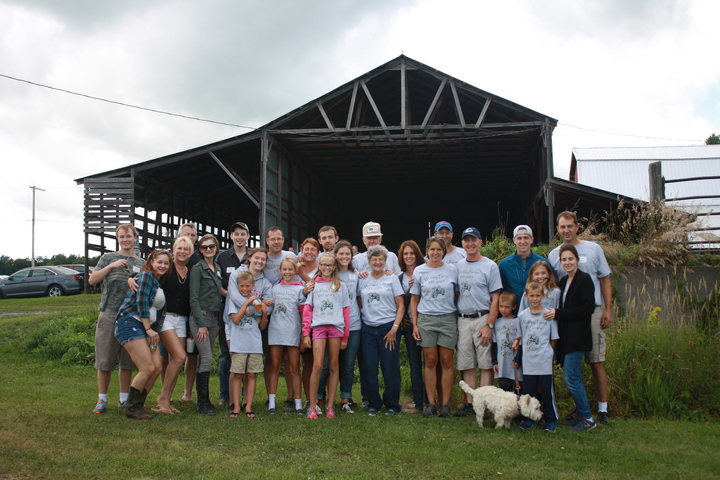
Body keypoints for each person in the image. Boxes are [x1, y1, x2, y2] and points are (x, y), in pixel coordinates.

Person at [548, 211, 612, 424]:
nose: (566, 230)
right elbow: (556, 285)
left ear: (577, 227)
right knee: (572, 367)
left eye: (569, 226)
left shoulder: (593, 249)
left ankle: (602, 409)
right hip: (567, 318)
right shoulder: (553, 254)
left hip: (591, 312)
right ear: (557, 229)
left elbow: (604, 279)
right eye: (562, 227)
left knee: (595, 361)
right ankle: (580, 409)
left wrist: (608, 310)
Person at [89, 224, 144, 414]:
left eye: (128, 236)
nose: (125, 239)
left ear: (135, 238)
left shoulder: (141, 262)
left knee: (127, 360)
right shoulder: (108, 258)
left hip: (130, 315)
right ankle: (102, 400)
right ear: (118, 239)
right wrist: (111, 266)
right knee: (105, 358)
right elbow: (92, 279)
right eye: (121, 237)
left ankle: (123, 398)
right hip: (110, 312)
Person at [544, 244, 597, 432]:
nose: (567, 262)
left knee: (571, 378)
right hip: (567, 336)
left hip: (578, 337)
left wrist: (558, 313)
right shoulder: (565, 280)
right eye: (564, 259)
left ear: (577, 260)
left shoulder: (585, 280)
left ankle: (587, 417)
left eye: (570, 259)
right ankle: (578, 413)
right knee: (573, 376)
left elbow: (587, 308)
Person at [113, 249, 172, 419]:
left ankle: (138, 404)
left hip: (147, 327)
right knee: (147, 367)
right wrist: (148, 329)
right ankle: (131, 408)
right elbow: (142, 302)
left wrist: (155, 331)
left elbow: (158, 312)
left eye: (166, 263)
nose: (162, 265)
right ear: (151, 261)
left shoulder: (158, 282)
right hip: (131, 322)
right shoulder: (146, 276)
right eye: (159, 262)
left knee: (157, 367)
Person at [454, 227, 503, 418]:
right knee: (466, 363)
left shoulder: (490, 266)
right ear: (463, 244)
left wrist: (489, 325)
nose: (470, 244)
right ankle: (470, 404)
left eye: (473, 240)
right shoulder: (458, 266)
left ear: (480, 242)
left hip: (482, 317)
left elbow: (496, 298)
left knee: (485, 363)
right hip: (463, 319)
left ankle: (486, 403)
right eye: (466, 240)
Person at [410, 236, 458, 418]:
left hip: (447, 319)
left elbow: (457, 294)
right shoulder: (420, 271)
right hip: (426, 319)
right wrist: (415, 324)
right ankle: (430, 403)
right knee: (430, 361)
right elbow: (414, 299)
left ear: (443, 251)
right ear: (427, 251)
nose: (435, 253)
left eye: (439, 250)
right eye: (432, 250)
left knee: (446, 361)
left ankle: (445, 404)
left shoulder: (452, 270)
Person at [302, 253, 351, 419]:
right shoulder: (313, 285)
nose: (327, 268)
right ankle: (313, 406)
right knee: (317, 365)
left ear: (334, 267)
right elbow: (308, 310)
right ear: (319, 265)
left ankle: (330, 406)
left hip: (336, 328)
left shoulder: (340, 286)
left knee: (334, 365)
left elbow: (346, 312)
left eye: (330, 265)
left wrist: (345, 337)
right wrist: (305, 333)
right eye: (324, 265)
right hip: (318, 328)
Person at [358, 245, 405, 416]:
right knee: (369, 366)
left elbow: (401, 306)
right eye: (374, 259)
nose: (377, 262)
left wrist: (394, 328)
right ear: (369, 261)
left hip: (388, 327)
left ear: (385, 261)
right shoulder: (363, 279)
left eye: (381, 259)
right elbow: (359, 302)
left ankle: (392, 404)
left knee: (390, 366)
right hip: (368, 328)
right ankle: (374, 404)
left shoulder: (392, 278)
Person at [225, 247, 275, 406]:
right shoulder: (236, 275)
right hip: (233, 324)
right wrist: (258, 306)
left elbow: (270, 307)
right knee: (236, 364)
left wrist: (253, 309)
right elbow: (234, 297)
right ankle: (234, 402)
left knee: (250, 369)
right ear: (250, 258)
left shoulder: (265, 282)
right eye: (257, 258)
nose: (260, 261)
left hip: (252, 326)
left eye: (263, 259)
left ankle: (247, 402)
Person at [152, 236, 193, 414]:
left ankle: (166, 400)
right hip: (165, 317)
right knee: (180, 357)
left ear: (190, 252)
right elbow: (147, 273)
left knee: (175, 361)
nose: (182, 252)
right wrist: (131, 279)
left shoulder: (191, 272)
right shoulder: (167, 269)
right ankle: (162, 397)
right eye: (179, 248)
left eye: (186, 249)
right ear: (174, 250)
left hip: (182, 319)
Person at [512, 281, 559, 431]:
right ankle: (529, 418)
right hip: (529, 361)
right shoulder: (522, 316)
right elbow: (520, 337)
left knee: (546, 391)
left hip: (544, 360)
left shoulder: (548, 314)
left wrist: (546, 352)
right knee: (529, 393)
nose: (535, 299)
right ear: (526, 296)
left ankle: (550, 419)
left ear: (543, 296)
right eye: (531, 296)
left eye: (538, 295)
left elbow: (553, 338)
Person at [268, 256, 312, 415]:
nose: (287, 272)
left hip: (293, 331)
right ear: (280, 271)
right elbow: (267, 309)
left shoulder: (300, 288)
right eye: (284, 269)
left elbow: (303, 312)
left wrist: (303, 334)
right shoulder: (274, 289)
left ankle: (298, 403)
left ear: (295, 271)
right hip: (275, 331)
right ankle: (272, 402)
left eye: (290, 269)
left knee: (294, 366)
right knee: (275, 365)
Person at [215, 221, 251, 406]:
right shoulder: (222, 257)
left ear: (247, 236)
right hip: (228, 310)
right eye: (236, 234)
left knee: (245, 353)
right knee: (226, 354)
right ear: (231, 236)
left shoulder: (252, 257)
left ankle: (244, 395)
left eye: (242, 234)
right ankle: (225, 395)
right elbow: (217, 282)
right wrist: (231, 295)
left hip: (249, 313)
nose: (239, 237)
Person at [227, 271, 269, 418]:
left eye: (247, 286)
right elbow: (236, 320)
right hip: (239, 344)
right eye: (241, 286)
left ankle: (249, 405)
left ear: (252, 286)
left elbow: (262, 326)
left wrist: (263, 313)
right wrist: (246, 302)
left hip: (255, 343)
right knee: (238, 374)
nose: (244, 289)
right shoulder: (233, 301)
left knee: (251, 374)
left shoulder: (257, 303)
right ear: (237, 286)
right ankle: (236, 405)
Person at [189, 234, 223, 415]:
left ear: (216, 247)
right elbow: (193, 298)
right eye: (204, 247)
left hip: (213, 319)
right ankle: (201, 402)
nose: (208, 249)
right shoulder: (197, 269)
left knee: (205, 360)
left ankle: (206, 400)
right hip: (200, 318)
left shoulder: (217, 268)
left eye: (211, 246)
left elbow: (218, 294)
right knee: (207, 358)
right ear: (200, 250)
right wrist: (200, 325)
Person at [397, 239, 426, 413]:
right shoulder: (399, 277)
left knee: (431, 363)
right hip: (408, 325)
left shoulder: (426, 271)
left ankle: (433, 400)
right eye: (405, 253)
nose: (409, 256)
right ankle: (418, 403)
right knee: (415, 365)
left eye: (412, 253)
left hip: (427, 321)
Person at [333, 240, 362, 413]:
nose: (344, 257)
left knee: (349, 364)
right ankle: (322, 396)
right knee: (330, 364)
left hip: (354, 324)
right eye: (341, 253)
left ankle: (346, 397)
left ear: (352, 256)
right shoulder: (330, 273)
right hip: (334, 325)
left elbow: (359, 298)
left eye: (347, 254)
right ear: (336, 255)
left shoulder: (356, 274)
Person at [499, 225, 552, 314]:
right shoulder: (504, 264)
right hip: (513, 315)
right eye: (519, 238)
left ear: (532, 239)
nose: (522, 241)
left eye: (526, 238)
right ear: (514, 240)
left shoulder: (543, 263)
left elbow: (551, 286)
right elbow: (501, 291)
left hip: (538, 314)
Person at [492, 291, 521, 393]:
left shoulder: (518, 321)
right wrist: (495, 362)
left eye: (507, 307)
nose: (503, 309)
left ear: (514, 307)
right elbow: (494, 344)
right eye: (501, 306)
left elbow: (521, 343)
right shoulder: (497, 322)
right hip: (502, 363)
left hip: (514, 363)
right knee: (505, 391)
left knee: (518, 391)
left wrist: (518, 360)